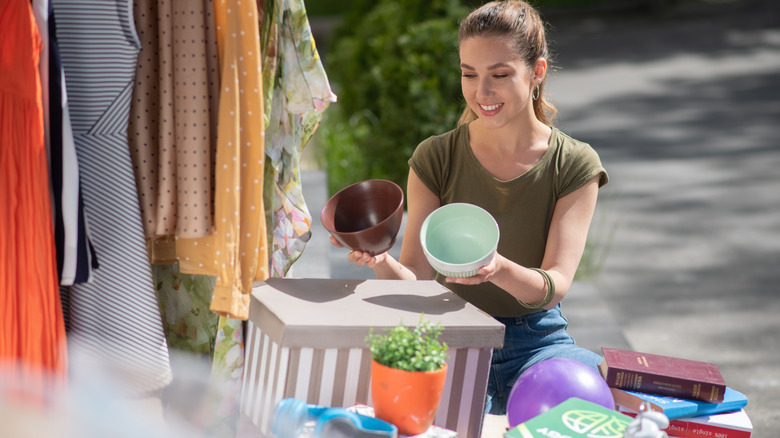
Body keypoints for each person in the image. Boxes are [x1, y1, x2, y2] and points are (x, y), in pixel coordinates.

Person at [330, 0, 609, 415]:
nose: (482, 93)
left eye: (499, 75)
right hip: (450, 335)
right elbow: (418, 281)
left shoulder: (574, 163)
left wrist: (496, 268)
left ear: (537, 73)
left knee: (604, 403)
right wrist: (379, 260)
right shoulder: (435, 157)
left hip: (538, 341)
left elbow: (554, 286)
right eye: (469, 74)